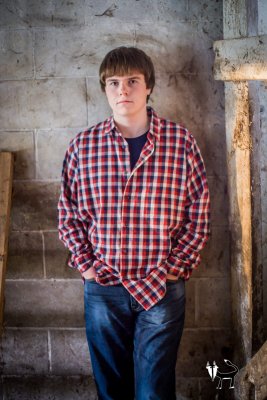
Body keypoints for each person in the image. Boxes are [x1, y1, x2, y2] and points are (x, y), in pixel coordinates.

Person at [58, 46, 210, 400]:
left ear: (149, 87)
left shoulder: (180, 142)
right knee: (111, 389)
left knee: (153, 390)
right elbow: (68, 212)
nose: (122, 90)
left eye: (132, 81)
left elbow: (198, 211)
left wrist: (176, 267)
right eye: (113, 83)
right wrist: (86, 266)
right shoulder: (84, 146)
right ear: (104, 89)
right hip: (104, 286)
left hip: (160, 286)